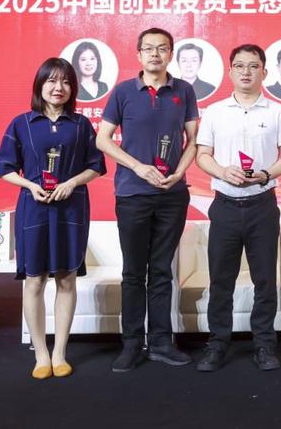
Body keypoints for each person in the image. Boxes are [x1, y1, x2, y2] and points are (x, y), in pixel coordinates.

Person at [0, 57, 105, 379]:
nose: (59, 88)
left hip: (71, 207)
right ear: (40, 85)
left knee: (66, 279)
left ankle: (60, 353)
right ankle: (41, 353)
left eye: (66, 82)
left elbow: (96, 165)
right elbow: (4, 168)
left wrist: (72, 182)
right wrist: (30, 185)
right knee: (35, 280)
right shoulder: (22, 123)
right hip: (34, 207)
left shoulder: (81, 125)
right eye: (52, 81)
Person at [96, 28, 199, 373]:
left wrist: (178, 173)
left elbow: (194, 141)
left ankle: (160, 342)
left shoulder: (183, 91)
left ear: (171, 54)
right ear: (138, 55)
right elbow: (103, 139)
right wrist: (138, 167)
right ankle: (130, 344)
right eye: (149, 49)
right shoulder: (123, 91)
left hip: (172, 196)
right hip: (132, 194)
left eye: (162, 48)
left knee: (161, 270)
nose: (155, 54)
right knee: (132, 272)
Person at [194, 43, 281, 372]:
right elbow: (202, 155)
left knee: (264, 280)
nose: (246, 72)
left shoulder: (278, 112)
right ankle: (217, 344)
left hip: (262, 206)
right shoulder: (214, 111)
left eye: (253, 66)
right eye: (239, 66)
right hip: (224, 205)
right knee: (220, 280)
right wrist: (222, 171)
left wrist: (267, 173)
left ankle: (264, 344)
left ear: (264, 72)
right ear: (230, 71)